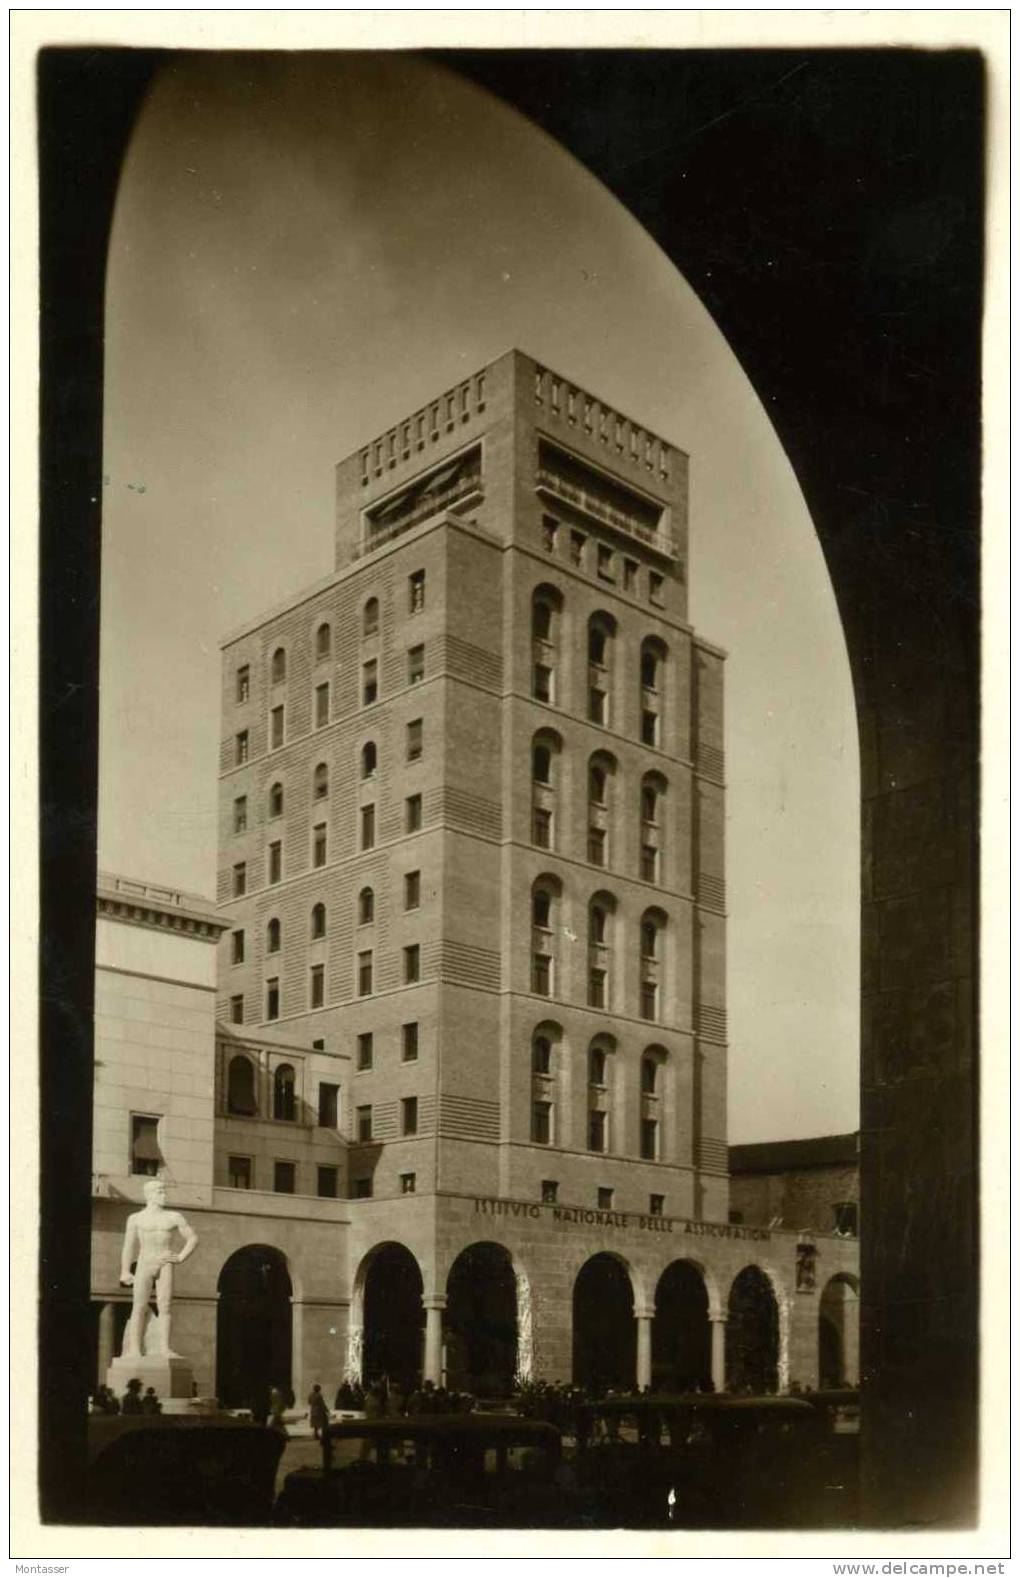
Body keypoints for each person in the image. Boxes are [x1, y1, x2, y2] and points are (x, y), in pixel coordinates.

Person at [118, 1178, 198, 1359]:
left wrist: (180, 1257)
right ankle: (134, 1349)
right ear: (149, 1195)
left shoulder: (173, 1216)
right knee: (138, 1306)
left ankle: (164, 1348)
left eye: (164, 1191)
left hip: (165, 1261)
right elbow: (128, 1246)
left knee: (165, 1305)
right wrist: (124, 1270)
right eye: (160, 1191)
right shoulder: (136, 1218)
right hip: (145, 1261)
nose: (164, 1195)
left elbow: (193, 1238)